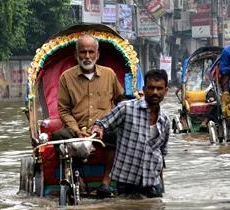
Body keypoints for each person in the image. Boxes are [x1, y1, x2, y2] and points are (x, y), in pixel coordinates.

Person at [55, 34, 124, 197]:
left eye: (91, 52)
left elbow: (120, 103)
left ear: (97, 54)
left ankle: (106, 181)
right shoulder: (66, 77)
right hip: (77, 129)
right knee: (58, 136)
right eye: (83, 52)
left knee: (115, 134)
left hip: (104, 128)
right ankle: (76, 177)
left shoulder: (109, 74)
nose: (87, 56)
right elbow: (63, 110)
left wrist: (104, 124)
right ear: (76, 54)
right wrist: (77, 130)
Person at [89, 69, 170, 198]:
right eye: (151, 88)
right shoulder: (126, 108)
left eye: (159, 89)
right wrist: (97, 128)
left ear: (166, 91)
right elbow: (103, 123)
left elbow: (161, 153)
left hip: (152, 183)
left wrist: (162, 186)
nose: (155, 92)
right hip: (127, 181)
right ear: (144, 89)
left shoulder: (165, 120)